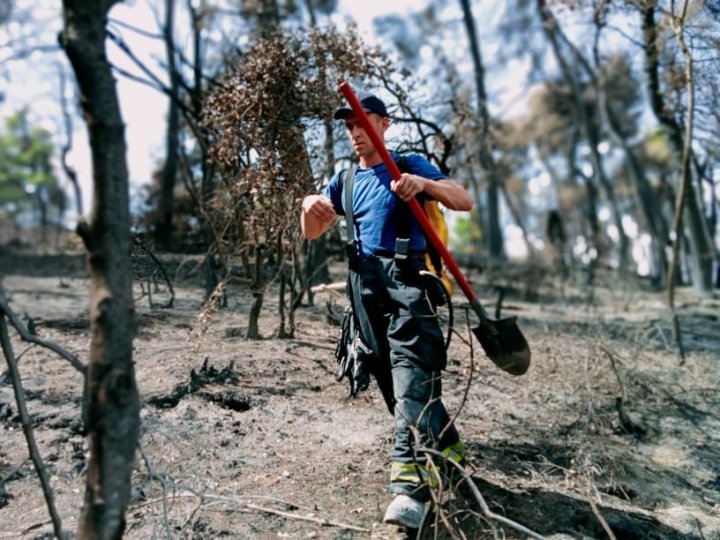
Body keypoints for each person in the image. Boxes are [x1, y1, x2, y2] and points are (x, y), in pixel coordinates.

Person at [300, 92, 473, 530]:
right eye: (350, 126)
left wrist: (425, 186)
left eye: (364, 122)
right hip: (363, 288)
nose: (356, 132)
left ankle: (408, 490)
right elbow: (313, 231)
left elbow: (463, 199)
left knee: (412, 370)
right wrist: (308, 207)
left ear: (384, 124)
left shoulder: (408, 163)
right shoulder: (346, 181)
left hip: (409, 282)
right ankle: (450, 452)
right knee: (393, 383)